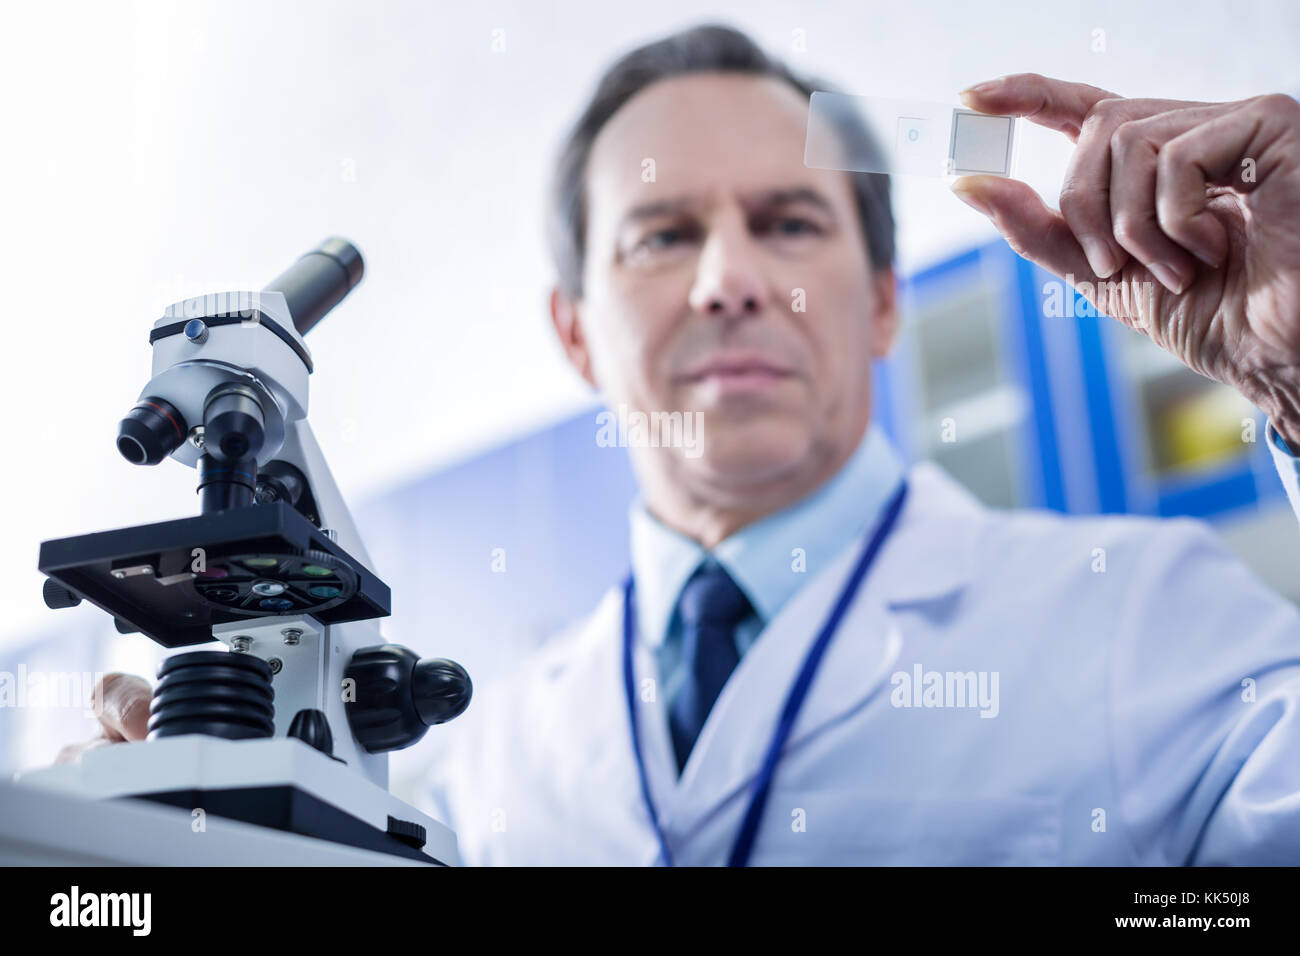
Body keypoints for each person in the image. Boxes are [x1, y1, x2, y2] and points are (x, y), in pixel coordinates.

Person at [61, 25, 1300, 865]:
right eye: (660, 234)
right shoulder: (489, 764)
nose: (726, 281)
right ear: (577, 334)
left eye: (789, 219)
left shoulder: (1145, 617)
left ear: (878, 299)